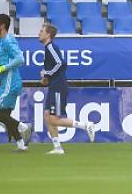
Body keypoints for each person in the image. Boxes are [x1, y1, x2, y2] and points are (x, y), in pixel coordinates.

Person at [39, 23, 96, 154]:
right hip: (54, 86)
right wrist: (47, 78)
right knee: (47, 115)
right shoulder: (48, 49)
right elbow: (55, 68)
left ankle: (86, 126)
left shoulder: (51, 47)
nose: (39, 33)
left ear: (48, 34)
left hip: (58, 87)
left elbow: (61, 63)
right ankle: (57, 147)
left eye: (41, 31)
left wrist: (47, 74)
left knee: (53, 119)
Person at [0, 14, 32, 152]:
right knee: (5, 116)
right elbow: (6, 62)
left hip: (9, 82)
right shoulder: (4, 41)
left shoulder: (8, 41)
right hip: (11, 82)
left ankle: (23, 127)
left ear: (2, 25)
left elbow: (20, 59)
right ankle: (21, 144)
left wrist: (2, 68)